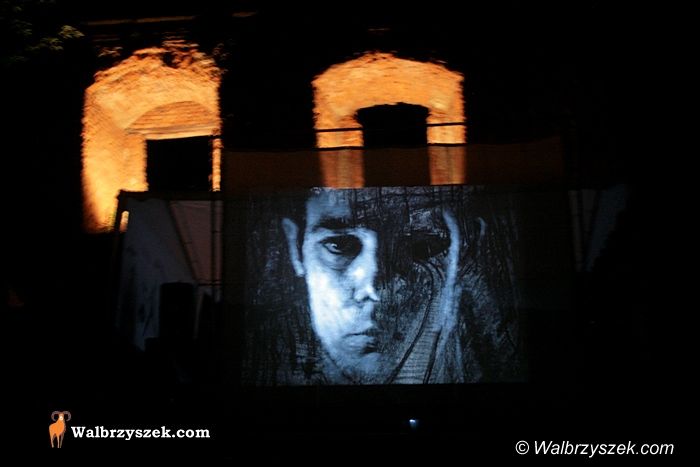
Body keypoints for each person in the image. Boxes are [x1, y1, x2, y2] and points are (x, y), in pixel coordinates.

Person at [243, 186, 523, 385]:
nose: (374, 289)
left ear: (466, 249)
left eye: (421, 248)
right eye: (339, 245)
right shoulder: (256, 361)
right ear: (295, 247)